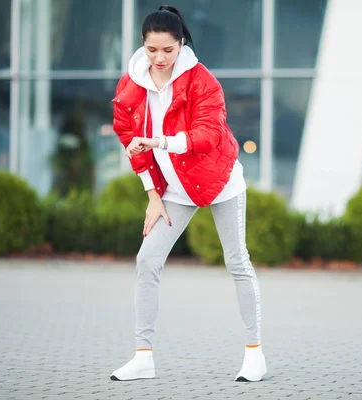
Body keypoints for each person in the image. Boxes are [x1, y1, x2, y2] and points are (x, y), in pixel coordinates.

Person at [109, 5, 266, 382]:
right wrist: (152, 195)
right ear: (143, 46)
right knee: (147, 261)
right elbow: (130, 139)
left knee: (236, 261)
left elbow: (208, 135)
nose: (159, 59)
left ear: (181, 45)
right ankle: (143, 356)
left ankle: (255, 354)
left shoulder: (203, 82)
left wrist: (158, 141)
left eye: (168, 50)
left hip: (218, 180)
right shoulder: (132, 85)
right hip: (174, 191)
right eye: (152, 50)